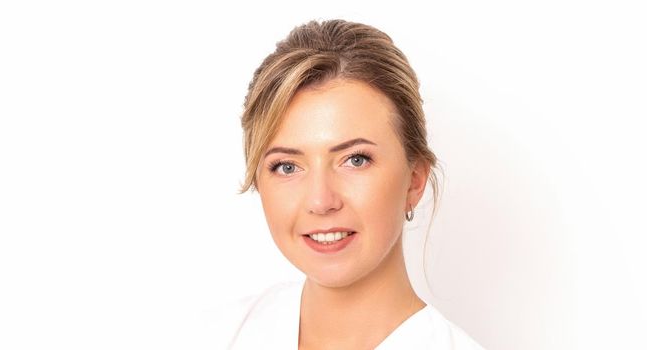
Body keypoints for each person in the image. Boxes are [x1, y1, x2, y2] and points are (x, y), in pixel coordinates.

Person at [202, 19, 485, 349]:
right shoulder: (214, 335)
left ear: (414, 180)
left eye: (356, 160)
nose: (321, 201)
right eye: (287, 166)